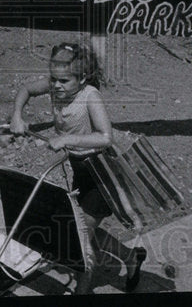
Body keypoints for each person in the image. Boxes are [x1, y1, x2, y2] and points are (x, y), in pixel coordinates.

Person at [10, 43, 147, 294]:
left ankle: (83, 290)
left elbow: (106, 137)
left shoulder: (90, 96)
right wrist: (17, 114)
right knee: (84, 229)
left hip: (101, 173)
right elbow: (26, 89)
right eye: (53, 79)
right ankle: (129, 257)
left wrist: (67, 139)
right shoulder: (56, 87)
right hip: (80, 170)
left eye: (64, 81)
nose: (56, 85)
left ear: (82, 78)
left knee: (79, 236)